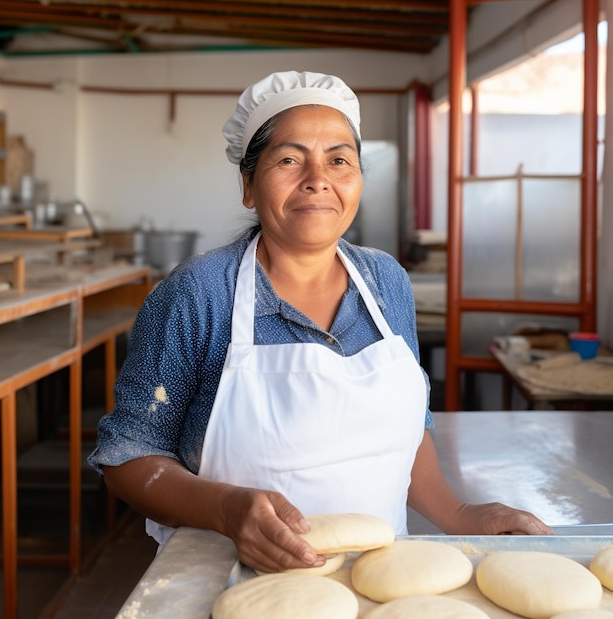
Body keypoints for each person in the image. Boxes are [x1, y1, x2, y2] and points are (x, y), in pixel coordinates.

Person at [88, 70, 552, 574]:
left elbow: (404, 434)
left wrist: (459, 513)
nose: (318, 178)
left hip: (378, 580)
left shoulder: (385, 282)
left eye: (339, 160)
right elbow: (128, 457)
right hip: (230, 580)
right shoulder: (199, 293)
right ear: (248, 184)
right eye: (289, 159)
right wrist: (225, 509)